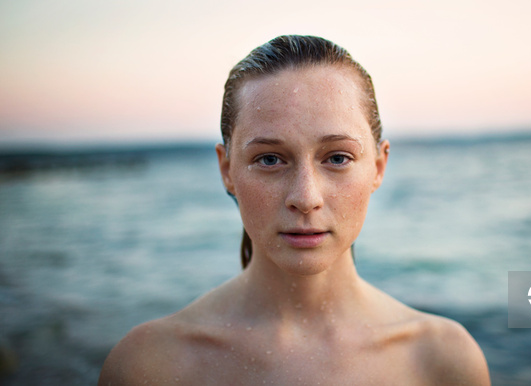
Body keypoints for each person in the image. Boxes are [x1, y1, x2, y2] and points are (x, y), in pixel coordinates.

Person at [99, 35, 490, 385]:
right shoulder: (149, 367)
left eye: (337, 157)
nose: (305, 197)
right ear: (227, 170)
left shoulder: (443, 360)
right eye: (270, 159)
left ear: (378, 166)